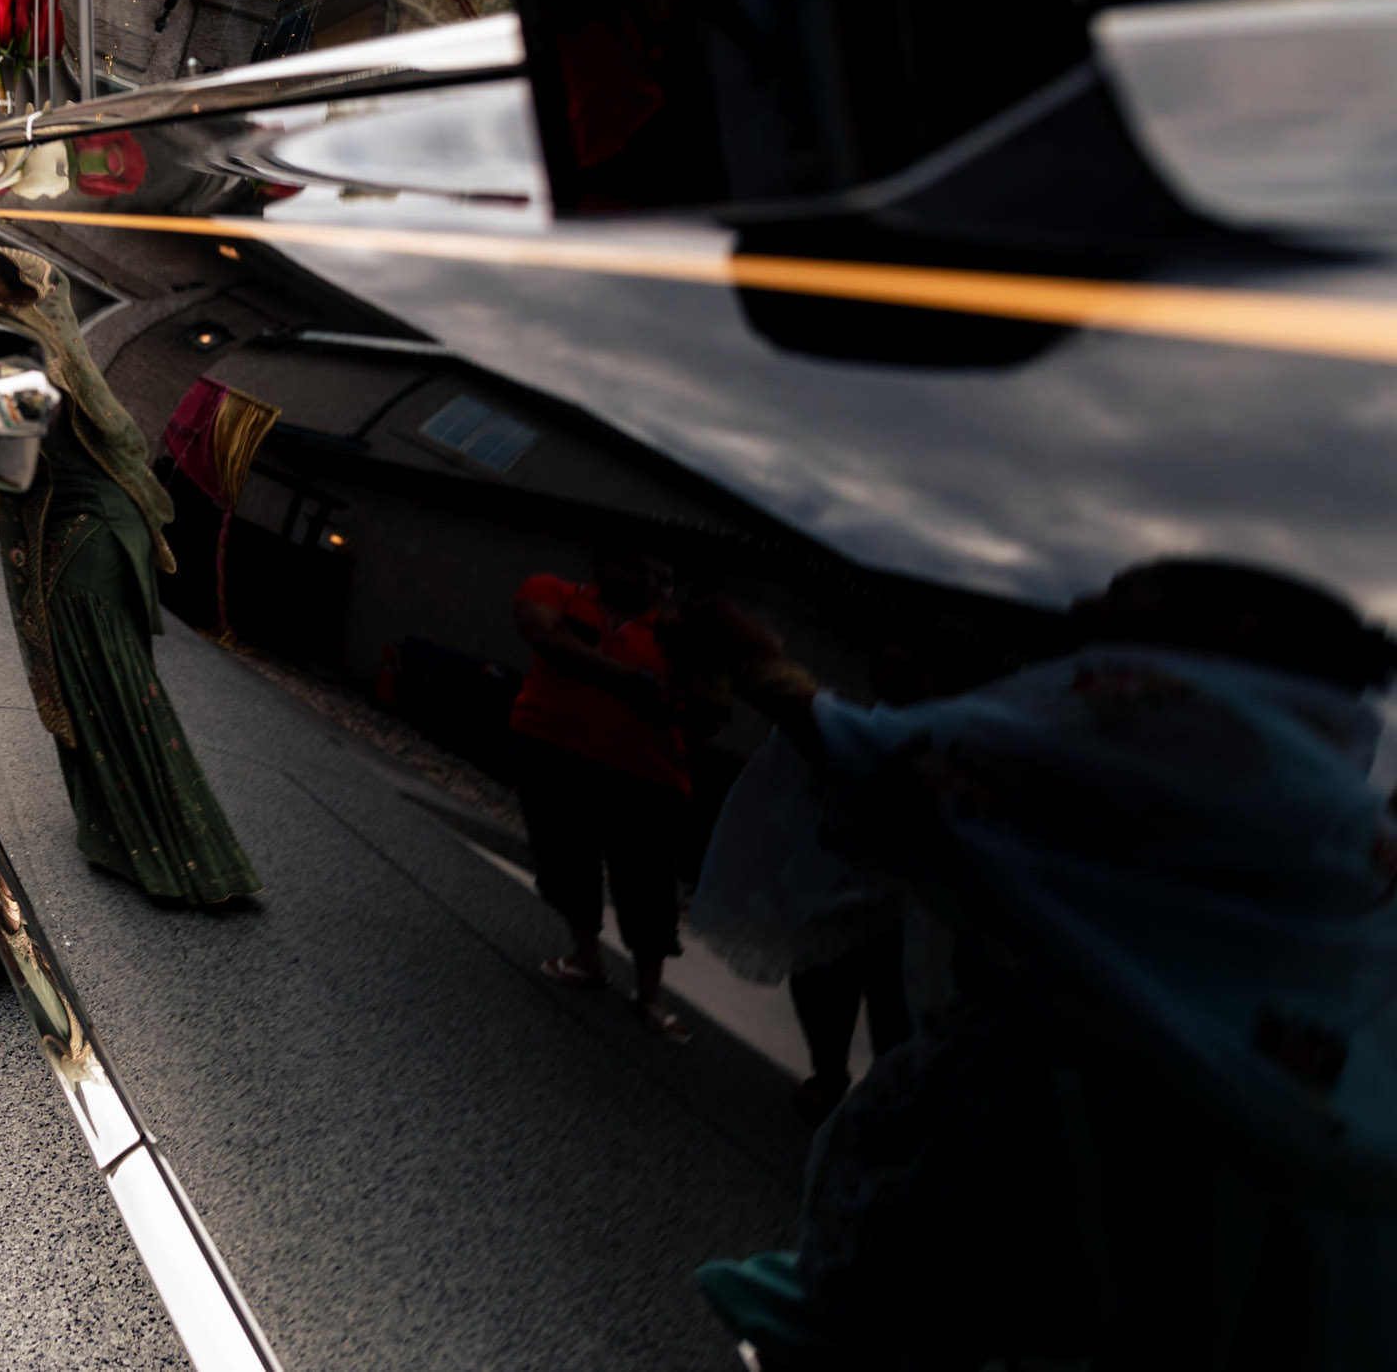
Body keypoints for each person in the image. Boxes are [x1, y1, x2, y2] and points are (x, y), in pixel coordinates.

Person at [694, 560, 1397, 1368]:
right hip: (1225, 1160)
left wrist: (756, 658)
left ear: (1230, 628)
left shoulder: (1159, 710)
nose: (1085, 600)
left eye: (1132, 587)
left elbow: (908, 764)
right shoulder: (1332, 800)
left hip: (1057, 1127)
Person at [0, 246, 260, 906]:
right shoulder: (22, 346)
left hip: (83, 538)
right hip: (75, 528)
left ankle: (192, 864)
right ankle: (119, 837)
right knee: (92, 691)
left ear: (7, 292)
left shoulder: (29, 358)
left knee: (114, 692)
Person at [509, 543, 695, 1040]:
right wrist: (637, 682)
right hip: (550, 747)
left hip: (648, 775)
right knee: (564, 858)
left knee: (649, 883)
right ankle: (586, 957)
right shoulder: (554, 592)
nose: (654, 583)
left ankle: (651, 994)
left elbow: (700, 709)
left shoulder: (679, 637)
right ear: (601, 564)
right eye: (640, 566)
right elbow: (542, 634)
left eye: (665, 577)